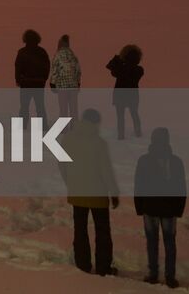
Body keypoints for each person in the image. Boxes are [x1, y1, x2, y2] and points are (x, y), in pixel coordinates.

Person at [59, 108, 120, 276]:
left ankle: (83, 264)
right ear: (95, 122)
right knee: (102, 231)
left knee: (80, 230)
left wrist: (70, 183)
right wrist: (113, 192)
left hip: (77, 192)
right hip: (98, 193)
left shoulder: (68, 139)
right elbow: (106, 170)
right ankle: (103, 267)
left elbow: (62, 165)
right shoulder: (98, 143)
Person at [133, 127, 186, 288]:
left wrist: (139, 206)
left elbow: (139, 185)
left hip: (150, 208)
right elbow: (180, 187)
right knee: (170, 243)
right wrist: (179, 208)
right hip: (169, 209)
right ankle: (170, 276)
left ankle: (153, 273)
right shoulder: (176, 161)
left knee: (152, 242)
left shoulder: (144, 160)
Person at [107, 44, 145, 138]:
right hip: (133, 95)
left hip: (120, 94)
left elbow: (110, 68)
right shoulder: (139, 70)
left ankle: (121, 135)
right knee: (134, 114)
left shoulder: (121, 68)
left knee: (120, 116)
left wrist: (118, 58)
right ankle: (138, 133)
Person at [15, 29, 50, 129]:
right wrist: (44, 79)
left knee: (24, 106)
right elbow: (46, 66)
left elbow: (18, 67)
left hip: (26, 82)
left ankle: (22, 125)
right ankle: (43, 126)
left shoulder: (22, 52)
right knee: (40, 106)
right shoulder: (42, 51)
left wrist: (18, 79)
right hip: (39, 83)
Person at [50, 34, 81, 124]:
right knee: (74, 109)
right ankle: (74, 128)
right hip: (73, 86)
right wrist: (78, 83)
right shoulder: (73, 55)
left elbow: (55, 71)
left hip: (62, 86)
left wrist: (52, 83)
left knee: (63, 109)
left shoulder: (58, 55)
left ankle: (64, 129)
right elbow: (78, 71)